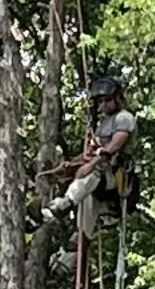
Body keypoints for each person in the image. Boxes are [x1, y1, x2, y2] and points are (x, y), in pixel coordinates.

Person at [42, 76, 136, 242]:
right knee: (83, 224)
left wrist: (90, 165)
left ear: (117, 98)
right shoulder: (103, 125)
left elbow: (112, 148)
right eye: (100, 102)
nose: (103, 105)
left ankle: (65, 203)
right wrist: (73, 163)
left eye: (107, 100)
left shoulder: (124, 118)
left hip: (114, 178)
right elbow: (91, 152)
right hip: (96, 184)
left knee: (92, 173)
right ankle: (68, 257)